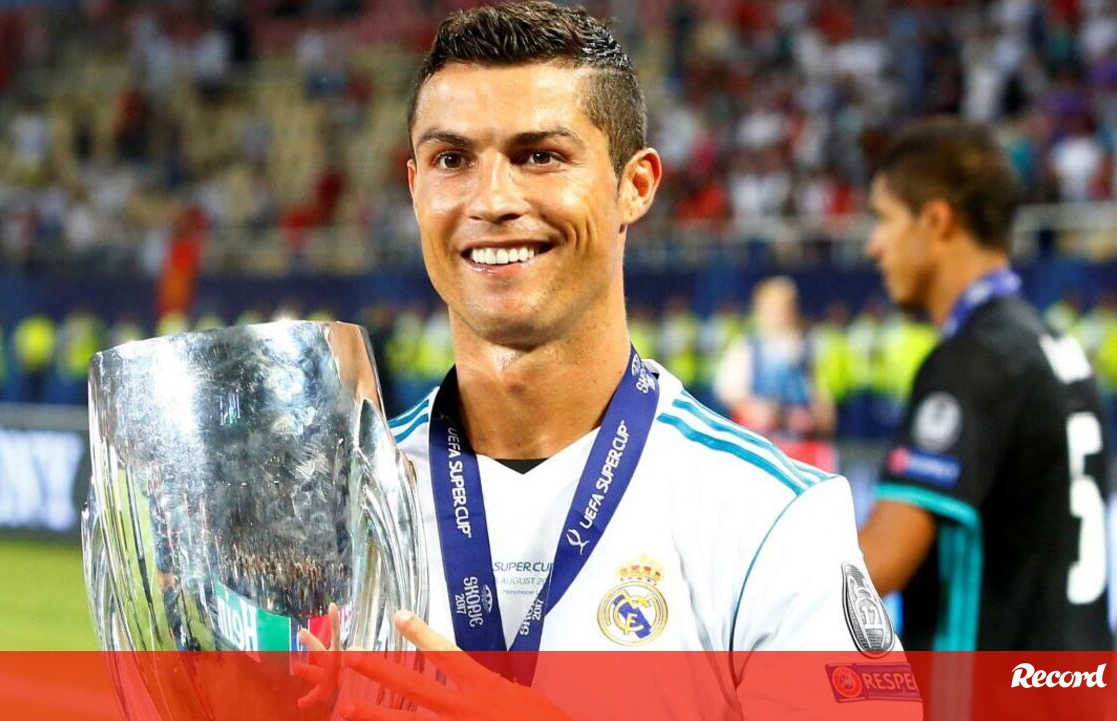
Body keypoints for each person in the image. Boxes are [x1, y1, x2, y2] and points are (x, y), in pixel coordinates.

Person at [298, 4, 913, 720]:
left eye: (540, 155)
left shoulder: (770, 519)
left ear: (636, 185)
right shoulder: (337, 512)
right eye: (452, 160)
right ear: (415, 189)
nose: (491, 200)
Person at [859, 118, 1113, 651]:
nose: (873, 246)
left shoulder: (972, 361)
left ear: (936, 220)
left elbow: (872, 568)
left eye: (883, 219)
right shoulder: (1055, 348)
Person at [716, 276, 837, 470]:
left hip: (801, 454)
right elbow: (732, 397)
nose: (781, 314)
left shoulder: (809, 349)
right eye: (774, 307)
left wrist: (810, 418)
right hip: (760, 455)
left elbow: (825, 411)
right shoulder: (746, 348)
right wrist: (768, 413)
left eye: (787, 306)